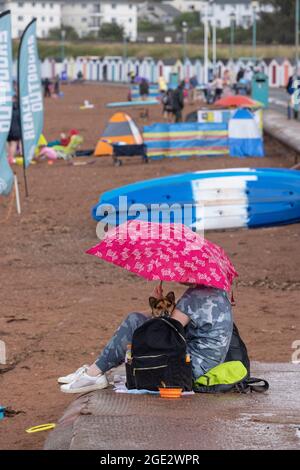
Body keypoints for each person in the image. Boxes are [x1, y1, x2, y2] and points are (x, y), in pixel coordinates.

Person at [59, 282, 233, 394]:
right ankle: (96, 369)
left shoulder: (193, 297)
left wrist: (153, 308)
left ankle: (94, 373)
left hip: (190, 371)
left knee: (135, 321)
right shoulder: (218, 290)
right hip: (209, 363)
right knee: (136, 319)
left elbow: (166, 332)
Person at [7, 95, 21, 165]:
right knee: (13, 143)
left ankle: (8, 157)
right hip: (15, 129)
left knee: (9, 144)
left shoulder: (7, 108)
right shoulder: (18, 109)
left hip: (7, 129)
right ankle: (11, 158)